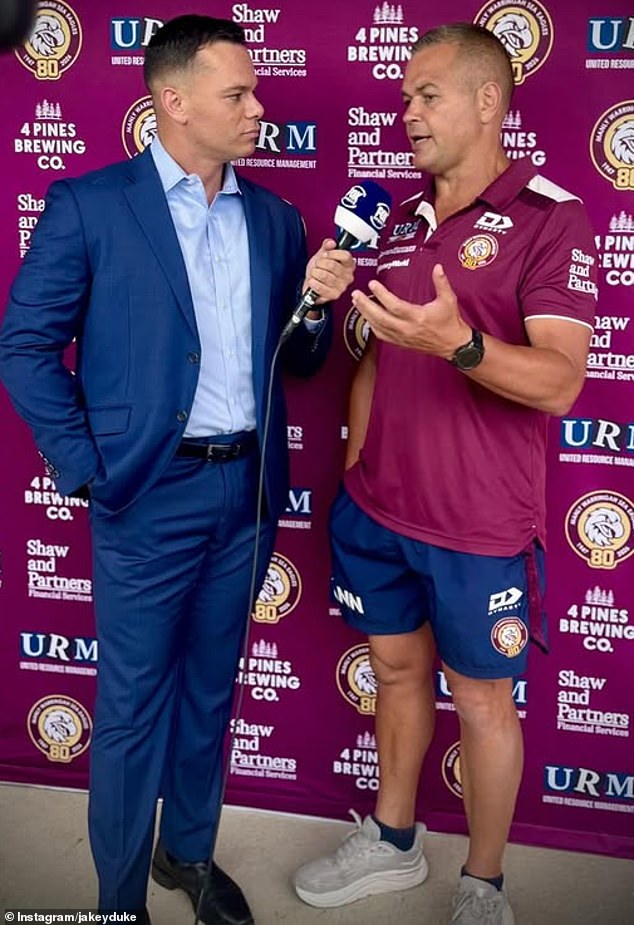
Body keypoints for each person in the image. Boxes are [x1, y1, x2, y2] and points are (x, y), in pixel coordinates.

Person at [0, 14, 355, 925]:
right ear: (173, 100)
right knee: (127, 714)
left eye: (255, 90)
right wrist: (88, 468)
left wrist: (315, 309)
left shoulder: (276, 219)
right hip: (144, 495)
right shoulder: (89, 204)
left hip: (247, 492)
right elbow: (26, 347)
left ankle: (186, 855)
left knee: (209, 692)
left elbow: (300, 363)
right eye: (238, 93)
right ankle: (118, 903)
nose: (258, 108)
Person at [293, 22, 596, 925]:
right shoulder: (396, 219)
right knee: (393, 672)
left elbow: (560, 381)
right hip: (379, 511)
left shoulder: (552, 215)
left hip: (477, 525)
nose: (408, 112)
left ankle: (484, 881)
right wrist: (357, 469)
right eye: (403, 97)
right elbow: (379, 361)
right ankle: (391, 841)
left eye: (428, 95)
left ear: (488, 100)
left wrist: (460, 343)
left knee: (482, 700)